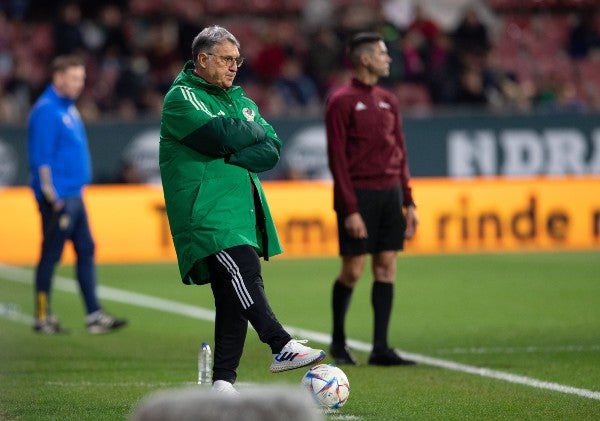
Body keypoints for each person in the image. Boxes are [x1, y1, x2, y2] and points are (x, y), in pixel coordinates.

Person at [159, 25, 325, 394]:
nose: (235, 67)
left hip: (238, 209)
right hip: (204, 208)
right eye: (227, 59)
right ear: (202, 59)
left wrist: (233, 142)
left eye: (238, 60)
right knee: (244, 272)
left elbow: (272, 149)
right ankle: (280, 345)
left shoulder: (239, 99)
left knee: (232, 295)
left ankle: (222, 383)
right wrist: (241, 135)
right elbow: (220, 135)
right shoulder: (181, 96)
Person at [325, 32, 419, 366]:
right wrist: (350, 209)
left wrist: (409, 200)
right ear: (364, 59)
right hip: (359, 194)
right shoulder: (341, 101)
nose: (388, 58)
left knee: (386, 266)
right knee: (353, 269)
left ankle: (380, 348)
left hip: (390, 192)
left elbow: (401, 151)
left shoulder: (388, 100)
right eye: (382, 53)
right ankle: (338, 341)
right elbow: (337, 158)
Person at [27, 54, 127, 334]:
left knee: (86, 249)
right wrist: (52, 197)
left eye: (81, 78)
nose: (79, 84)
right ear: (58, 78)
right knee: (50, 255)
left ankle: (94, 315)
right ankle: (42, 316)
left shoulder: (66, 108)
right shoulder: (47, 110)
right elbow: (40, 160)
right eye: (74, 78)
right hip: (60, 199)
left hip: (75, 195)